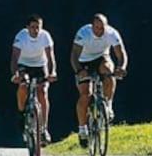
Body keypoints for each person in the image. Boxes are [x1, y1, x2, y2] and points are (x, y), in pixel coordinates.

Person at [71, 13, 128, 147]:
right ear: (92, 27)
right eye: (97, 28)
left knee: (109, 72)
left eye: (102, 28)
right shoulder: (83, 33)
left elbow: (121, 54)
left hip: (102, 58)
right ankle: (83, 129)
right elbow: (74, 55)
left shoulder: (112, 33)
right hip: (83, 61)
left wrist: (122, 67)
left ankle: (108, 105)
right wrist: (79, 71)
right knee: (85, 94)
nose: (99, 31)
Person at [10, 14, 57, 145]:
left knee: (43, 91)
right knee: (23, 85)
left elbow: (50, 57)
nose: (35, 31)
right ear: (27, 28)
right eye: (33, 27)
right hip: (24, 64)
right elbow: (14, 58)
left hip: (40, 65)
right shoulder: (21, 37)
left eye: (38, 27)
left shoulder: (45, 36)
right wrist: (15, 74)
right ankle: (21, 113)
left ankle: (44, 128)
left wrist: (52, 72)